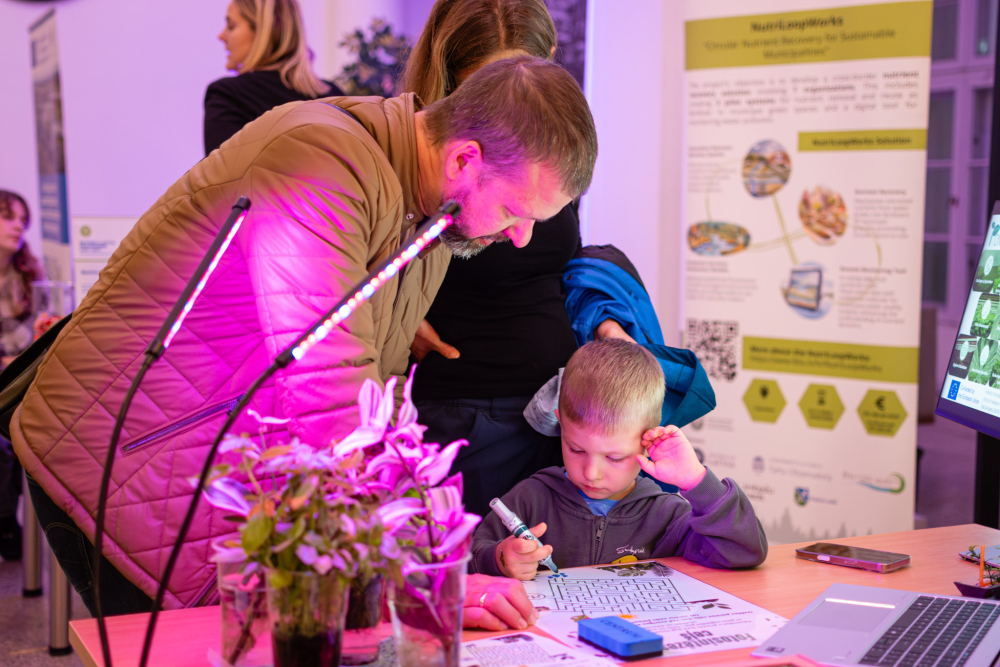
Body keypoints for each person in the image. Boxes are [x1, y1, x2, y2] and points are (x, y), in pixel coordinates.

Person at [11, 56, 597, 618]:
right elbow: (330, 394)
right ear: (464, 159)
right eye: (516, 210)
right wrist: (429, 581)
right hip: (129, 467)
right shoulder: (320, 160)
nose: (521, 237)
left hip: (202, 473)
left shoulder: (426, 217)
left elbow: (377, 397)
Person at [403, 0, 625, 519]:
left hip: (555, 409)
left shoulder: (550, 150)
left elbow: (563, 259)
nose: (510, 117)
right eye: (486, 88)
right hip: (462, 412)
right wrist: (397, 314)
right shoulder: (416, 166)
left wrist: (605, 316)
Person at [470, 339, 767, 579]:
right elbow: (464, 563)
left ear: (648, 441)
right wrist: (499, 559)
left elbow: (744, 552)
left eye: (614, 457)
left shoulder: (665, 515)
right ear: (560, 424)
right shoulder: (529, 499)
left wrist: (697, 481)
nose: (591, 473)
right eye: (576, 449)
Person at [204, 0, 344, 155]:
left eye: (231, 26)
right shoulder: (335, 97)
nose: (221, 36)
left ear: (262, 32)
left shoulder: (227, 95)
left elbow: (224, 169)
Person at [0, 190, 43, 561]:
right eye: (8, 217)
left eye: (22, 220)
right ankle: (6, 523)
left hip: (21, 381)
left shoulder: (30, 274)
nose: (18, 227)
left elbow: (40, 332)